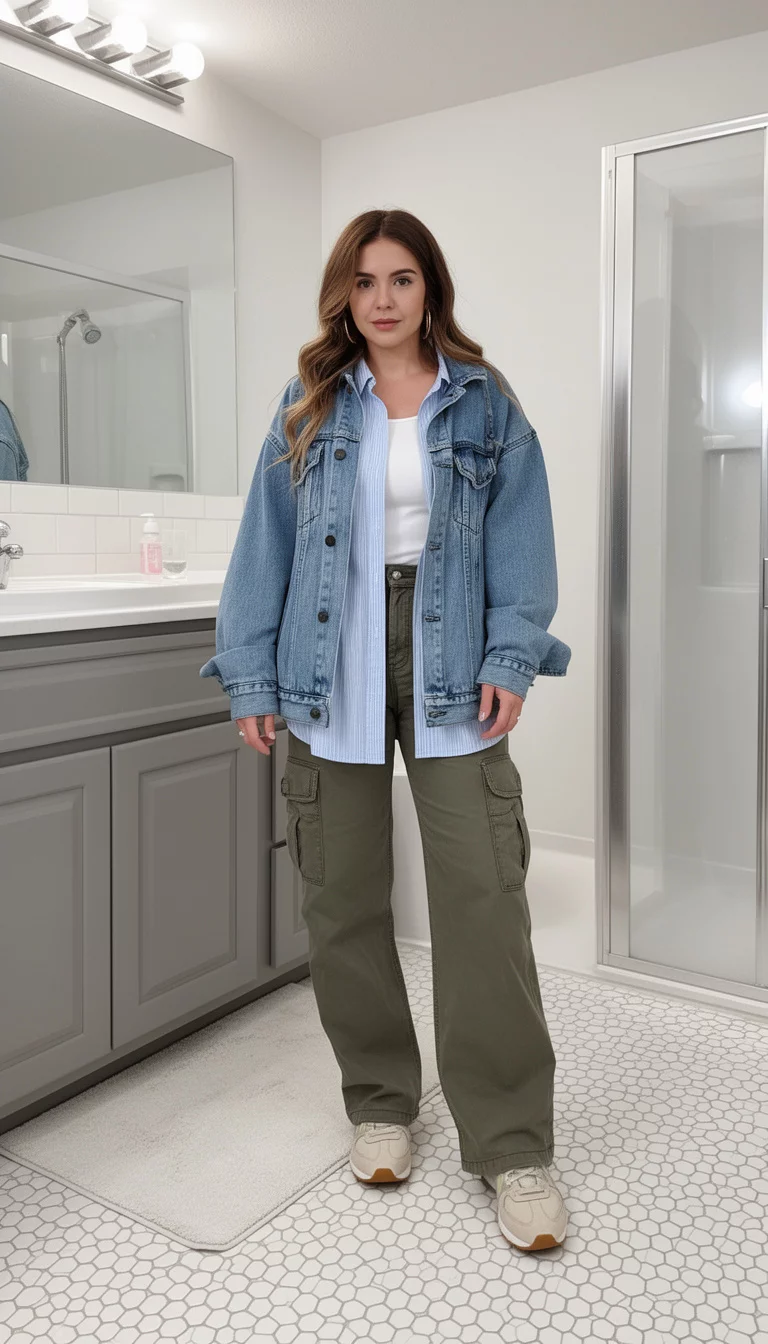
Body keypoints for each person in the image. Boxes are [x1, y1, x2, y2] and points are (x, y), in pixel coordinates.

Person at [199, 208, 572, 1253]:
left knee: (483, 899)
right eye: (365, 280)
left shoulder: (483, 401)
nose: (383, 298)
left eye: (402, 278)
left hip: (452, 657)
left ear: (430, 290)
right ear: (344, 295)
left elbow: (522, 535)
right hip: (329, 659)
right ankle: (380, 1103)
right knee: (342, 894)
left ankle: (512, 1144)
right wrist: (250, 676)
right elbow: (262, 546)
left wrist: (511, 655)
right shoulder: (311, 400)